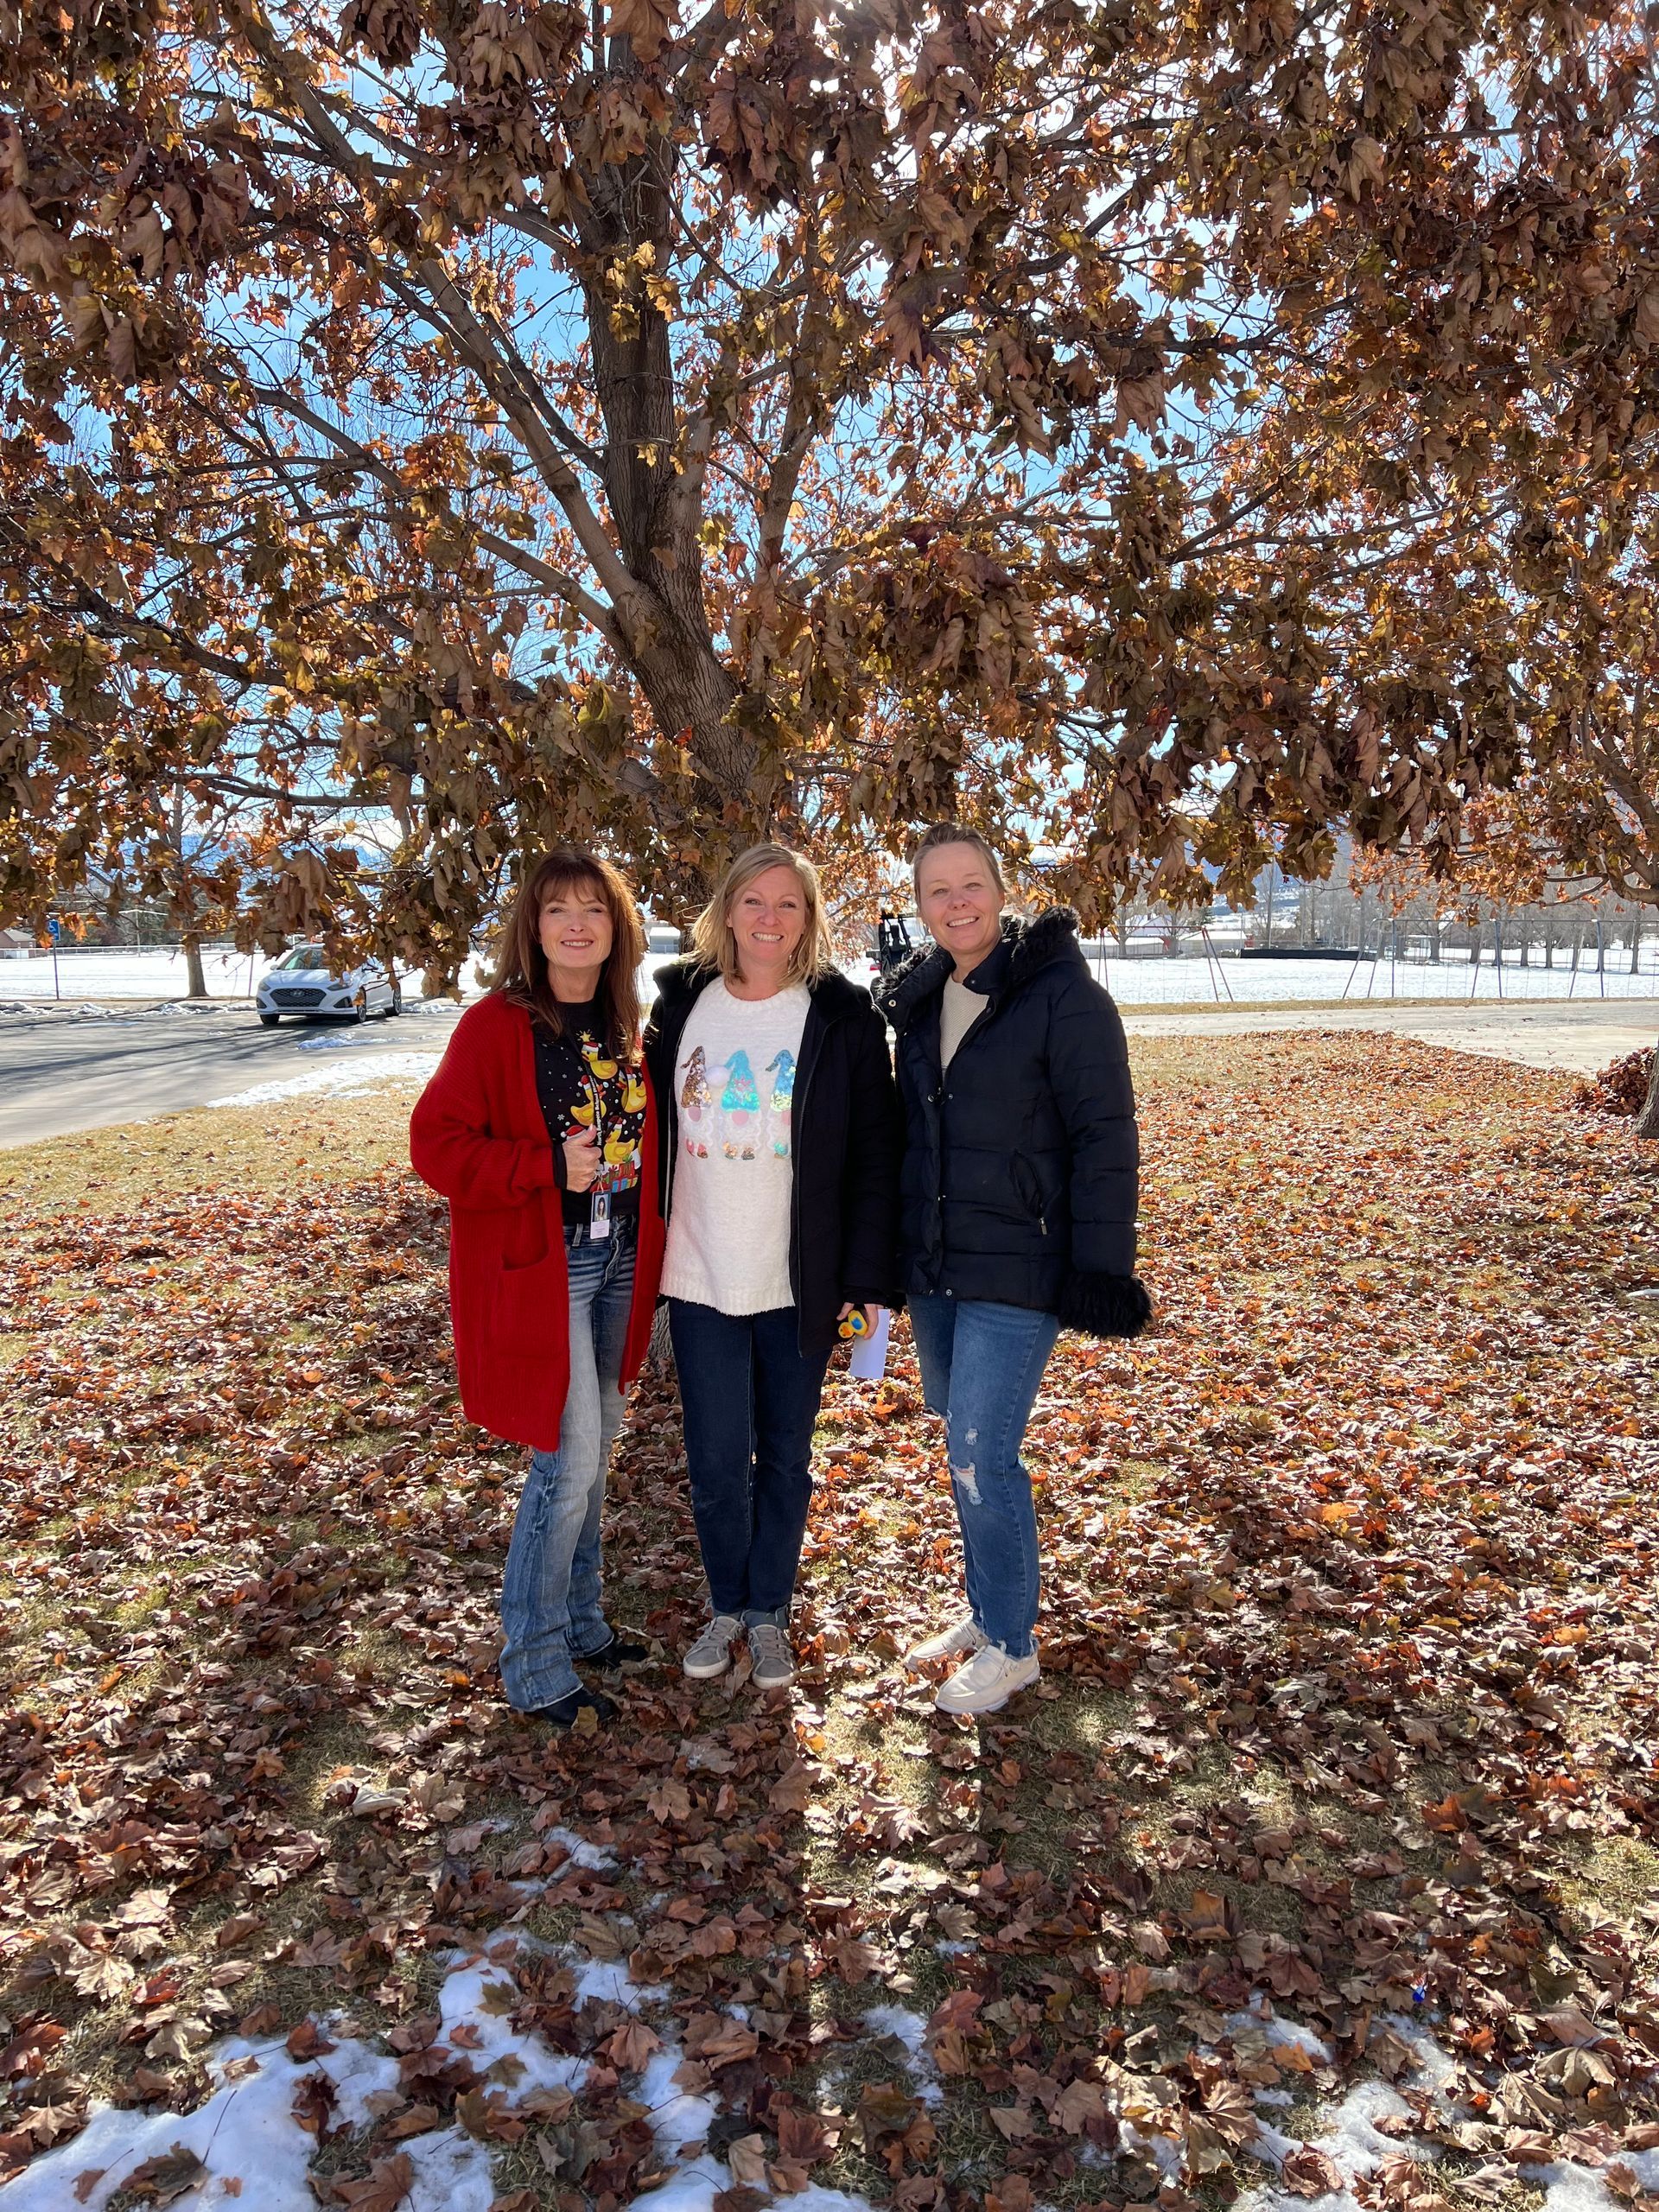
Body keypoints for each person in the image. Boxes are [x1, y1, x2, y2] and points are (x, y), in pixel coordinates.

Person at [874, 824, 1149, 1716]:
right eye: (937, 891)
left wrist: (1097, 1271)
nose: (957, 903)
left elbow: (1106, 1139)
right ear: (920, 906)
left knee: (983, 1452)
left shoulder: (1062, 995)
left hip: (1019, 1266)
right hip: (937, 1266)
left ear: (1000, 889)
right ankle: (991, 1608)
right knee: (963, 1443)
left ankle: (1014, 1645)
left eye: (971, 885)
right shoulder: (918, 1002)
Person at [410, 847, 665, 1730]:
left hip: (619, 1258)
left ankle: (583, 1624)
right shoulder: (497, 1024)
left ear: (616, 926)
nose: (576, 923)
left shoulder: (626, 1021)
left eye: (594, 907)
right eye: (557, 907)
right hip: (547, 1265)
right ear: (533, 926)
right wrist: (541, 1164)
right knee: (567, 1463)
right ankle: (532, 1661)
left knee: (596, 1457)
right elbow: (435, 1146)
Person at [645, 842, 901, 1690]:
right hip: (698, 1279)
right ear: (725, 911)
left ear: (809, 918)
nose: (768, 918)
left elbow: (875, 1164)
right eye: (753, 900)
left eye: (788, 904)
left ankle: (771, 1610)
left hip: (802, 1284)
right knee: (717, 1459)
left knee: (785, 1457)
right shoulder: (681, 1011)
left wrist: (867, 1306)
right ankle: (727, 1604)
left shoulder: (842, 1019)